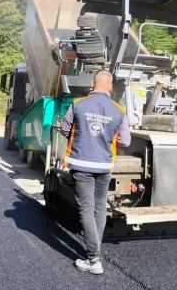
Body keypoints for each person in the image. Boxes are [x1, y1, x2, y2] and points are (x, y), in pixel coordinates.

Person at [59, 70, 131, 275]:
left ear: (93, 84)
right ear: (110, 87)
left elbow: (66, 129)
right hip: (104, 166)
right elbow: (125, 141)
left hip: (81, 164)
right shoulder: (119, 110)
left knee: (86, 209)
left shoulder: (78, 103)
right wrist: (105, 137)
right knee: (100, 209)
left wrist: (86, 136)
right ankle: (95, 251)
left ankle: (94, 259)